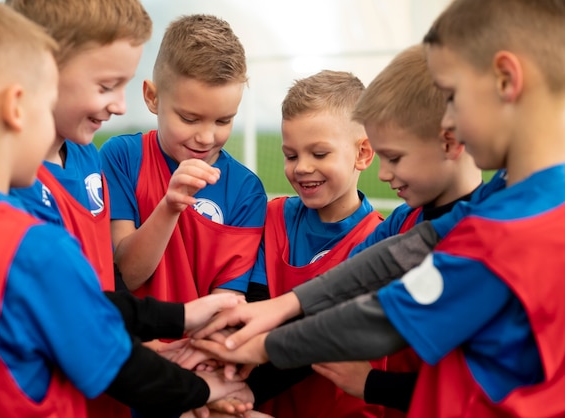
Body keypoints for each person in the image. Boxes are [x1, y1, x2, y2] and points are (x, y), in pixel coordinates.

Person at [191, 0, 565, 416]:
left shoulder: (508, 232)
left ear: (506, 81)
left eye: (454, 96)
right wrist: (282, 306)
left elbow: (383, 320)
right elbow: (399, 252)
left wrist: (259, 346)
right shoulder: (506, 195)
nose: (451, 124)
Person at [0, 2, 249, 418]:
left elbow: (82, 305)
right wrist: (199, 389)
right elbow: (102, 351)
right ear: (17, 105)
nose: (120, 106)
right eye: (106, 86)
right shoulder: (31, 246)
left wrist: (175, 318)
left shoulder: (82, 164)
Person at [311, 44, 483, 414]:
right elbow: (337, 299)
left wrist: (374, 384)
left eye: (394, 157)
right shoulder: (403, 221)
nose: (383, 173)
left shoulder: (488, 239)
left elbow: (478, 389)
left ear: (449, 142)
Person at [244, 70, 384, 418]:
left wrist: (243, 391)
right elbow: (254, 304)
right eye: (291, 155)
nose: (302, 168)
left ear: (363, 153)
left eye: (319, 154)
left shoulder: (379, 242)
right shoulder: (273, 218)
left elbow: (317, 342)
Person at [100, 14, 266, 302]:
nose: (205, 137)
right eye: (189, 118)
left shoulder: (246, 190)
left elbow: (227, 301)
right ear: (153, 98)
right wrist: (169, 207)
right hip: (133, 342)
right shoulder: (122, 157)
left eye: (223, 120)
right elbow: (126, 275)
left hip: (201, 344)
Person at [7, 0, 152, 293]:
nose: (121, 106)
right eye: (107, 86)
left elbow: (103, 279)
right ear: (43, 68)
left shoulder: (87, 154)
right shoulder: (7, 181)